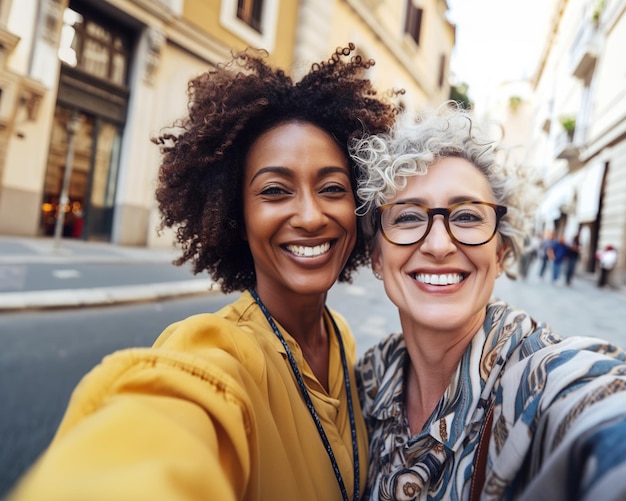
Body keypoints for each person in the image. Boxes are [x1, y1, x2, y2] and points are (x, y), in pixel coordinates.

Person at [8, 45, 399, 501]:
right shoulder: (215, 353)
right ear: (238, 213)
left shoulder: (341, 337)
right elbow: (159, 433)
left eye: (332, 188)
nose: (311, 216)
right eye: (275, 190)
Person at [350, 104, 626, 500]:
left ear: (500, 254)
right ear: (377, 256)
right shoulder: (370, 376)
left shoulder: (540, 378)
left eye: (466, 216)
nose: (439, 245)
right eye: (408, 217)